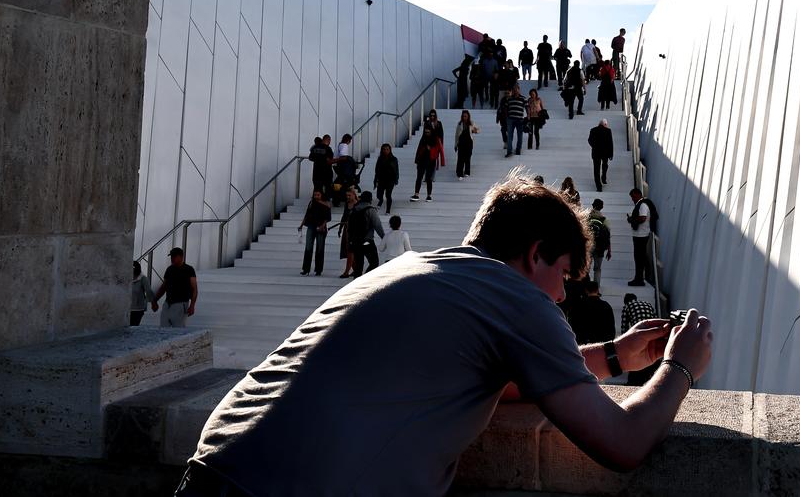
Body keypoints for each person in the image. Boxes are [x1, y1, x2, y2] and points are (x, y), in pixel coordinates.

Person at [178, 174, 715, 496]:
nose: (559, 297)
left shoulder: (417, 267)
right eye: (564, 276)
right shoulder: (518, 298)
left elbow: (503, 381)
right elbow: (622, 443)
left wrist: (615, 355)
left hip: (214, 465)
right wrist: (680, 366)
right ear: (535, 254)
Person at [621, 293, 660, 386]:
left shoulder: (627, 306)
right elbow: (656, 319)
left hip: (640, 332)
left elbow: (624, 326)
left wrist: (624, 342)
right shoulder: (648, 304)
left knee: (637, 354)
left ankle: (633, 381)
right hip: (652, 332)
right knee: (650, 354)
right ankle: (650, 379)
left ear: (626, 302)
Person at [154, 248, 197, 327]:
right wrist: (155, 300)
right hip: (168, 303)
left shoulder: (189, 269)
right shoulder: (169, 269)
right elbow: (164, 287)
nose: (172, 258)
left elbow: (194, 288)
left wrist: (192, 305)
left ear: (181, 257)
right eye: (171, 256)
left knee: (178, 329)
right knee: (163, 328)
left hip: (181, 303)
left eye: (175, 256)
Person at [348, 191, 385, 277]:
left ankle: (357, 281)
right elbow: (377, 225)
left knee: (358, 265)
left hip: (355, 241)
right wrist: (384, 237)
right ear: (370, 199)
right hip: (367, 240)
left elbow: (350, 225)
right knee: (374, 262)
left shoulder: (354, 209)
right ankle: (366, 278)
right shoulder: (370, 210)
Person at [568, 281, 616, 346]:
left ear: (586, 291)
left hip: (584, 343)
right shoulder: (606, 306)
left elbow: (573, 325)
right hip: (602, 343)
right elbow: (611, 327)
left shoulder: (579, 306)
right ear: (597, 290)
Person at [627, 188, 658, 287]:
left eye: (633, 197)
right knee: (641, 256)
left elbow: (643, 218)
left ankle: (639, 279)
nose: (632, 199)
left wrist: (632, 219)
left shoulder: (642, 205)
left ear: (638, 194)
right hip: (640, 234)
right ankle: (642, 277)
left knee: (639, 258)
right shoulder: (642, 204)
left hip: (641, 235)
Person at [299, 189, 332, 276]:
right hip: (311, 226)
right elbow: (307, 215)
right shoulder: (311, 203)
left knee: (320, 248)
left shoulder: (326, 204)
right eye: (315, 195)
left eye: (318, 195)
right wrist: (301, 225)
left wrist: (323, 226)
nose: (316, 196)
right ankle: (306, 269)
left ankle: (318, 269)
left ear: (321, 195)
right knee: (308, 247)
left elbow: (328, 217)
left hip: (321, 227)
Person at [336, 186, 359, 278]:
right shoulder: (347, 204)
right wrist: (340, 228)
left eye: (349, 195)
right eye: (347, 195)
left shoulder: (358, 205)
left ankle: (347, 271)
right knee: (348, 250)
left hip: (354, 230)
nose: (348, 197)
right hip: (346, 228)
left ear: (354, 195)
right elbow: (344, 216)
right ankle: (355, 269)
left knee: (351, 251)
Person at [411, 128, 438, 202]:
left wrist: (430, 149)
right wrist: (417, 160)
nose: (426, 133)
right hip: (421, 161)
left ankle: (429, 196)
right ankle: (416, 194)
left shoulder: (434, 140)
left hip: (431, 161)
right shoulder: (423, 139)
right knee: (419, 177)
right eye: (425, 132)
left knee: (428, 179)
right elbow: (419, 150)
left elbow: (436, 151)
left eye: (428, 132)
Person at [588, 199, 611, 285]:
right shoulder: (604, 219)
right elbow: (607, 236)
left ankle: (585, 285)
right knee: (597, 268)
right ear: (602, 207)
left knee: (586, 267)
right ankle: (596, 286)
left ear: (592, 205)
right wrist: (609, 250)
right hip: (600, 247)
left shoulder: (587, 217)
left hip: (588, 246)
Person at [373, 143, 399, 214]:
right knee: (379, 195)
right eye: (384, 149)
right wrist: (375, 180)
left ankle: (388, 210)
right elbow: (377, 170)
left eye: (387, 149)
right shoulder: (380, 159)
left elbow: (396, 170)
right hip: (381, 179)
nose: (385, 151)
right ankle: (381, 201)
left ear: (390, 150)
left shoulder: (394, 159)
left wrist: (396, 179)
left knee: (388, 195)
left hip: (390, 180)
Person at [588, 119, 614, 191]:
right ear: (605, 124)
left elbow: (589, 140)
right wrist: (611, 154)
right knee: (605, 165)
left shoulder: (593, 130)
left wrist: (594, 146)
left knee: (596, 169)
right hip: (605, 153)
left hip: (596, 152)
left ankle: (599, 187)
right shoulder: (608, 131)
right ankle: (603, 177)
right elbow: (610, 143)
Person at [130, 261, 157, 326]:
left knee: (134, 327)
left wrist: (153, 303)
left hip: (138, 310)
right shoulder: (127, 278)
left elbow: (149, 291)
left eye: (133, 268)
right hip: (127, 309)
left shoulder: (143, 279)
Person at [504, 84, 528, 158]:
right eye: (514, 89)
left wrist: (528, 117)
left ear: (519, 89)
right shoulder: (509, 98)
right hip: (510, 119)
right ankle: (509, 151)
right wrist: (506, 117)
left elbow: (527, 108)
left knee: (520, 136)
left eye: (516, 89)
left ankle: (518, 150)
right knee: (509, 136)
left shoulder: (523, 98)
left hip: (520, 119)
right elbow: (506, 108)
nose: (515, 90)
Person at [454, 110, 479, 179]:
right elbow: (456, 135)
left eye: (466, 116)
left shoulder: (471, 123)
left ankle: (467, 172)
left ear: (468, 116)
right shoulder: (459, 124)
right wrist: (455, 144)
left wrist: (474, 131)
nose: (464, 117)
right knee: (460, 158)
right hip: (461, 143)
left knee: (467, 157)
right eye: (463, 116)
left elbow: (478, 130)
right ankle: (459, 172)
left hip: (469, 142)